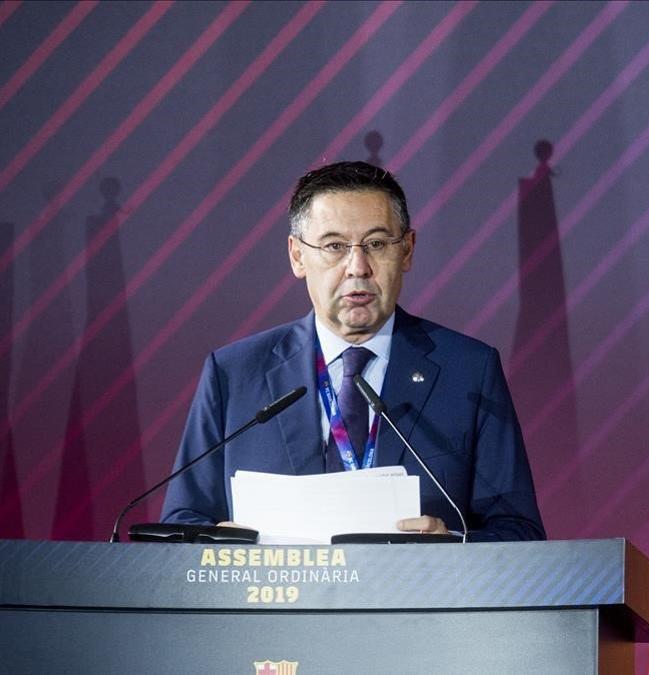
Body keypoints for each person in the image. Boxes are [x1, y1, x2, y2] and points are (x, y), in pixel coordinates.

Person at [160, 161, 545, 541]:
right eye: (334, 246)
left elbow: (519, 532)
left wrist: (452, 546)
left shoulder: (468, 370)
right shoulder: (234, 373)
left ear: (407, 250)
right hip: (276, 601)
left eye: (376, 244)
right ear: (297, 256)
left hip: (416, 601)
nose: (357, 267)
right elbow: (184, 521)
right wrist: (220, 543)